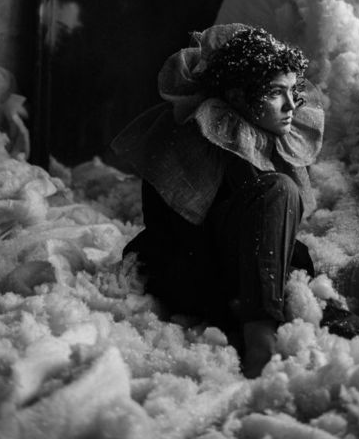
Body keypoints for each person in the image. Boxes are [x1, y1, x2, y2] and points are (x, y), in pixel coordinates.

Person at [107, 23, 324, 377]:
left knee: (301, 258)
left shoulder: (257, 138)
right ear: (236, 96)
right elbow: (174, 234)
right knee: (279, 189)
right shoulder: (197, 139)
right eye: (275, 92)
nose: (290, 105)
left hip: (238, 270)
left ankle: (265, 317)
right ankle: (260, 339)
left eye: (292, 91)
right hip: (192, 269)